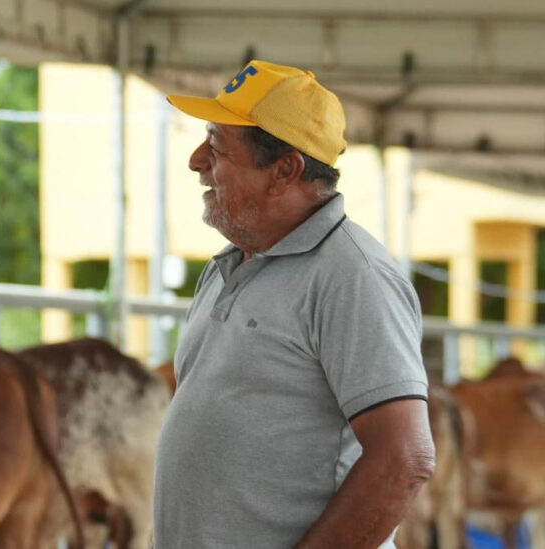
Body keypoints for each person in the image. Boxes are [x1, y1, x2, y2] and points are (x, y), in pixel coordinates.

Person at [153, 60, 435, 548]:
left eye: (218, 146)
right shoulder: (227, 266)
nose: (197, 160)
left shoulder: (352, 276)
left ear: (284, 170)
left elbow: (404, 456)